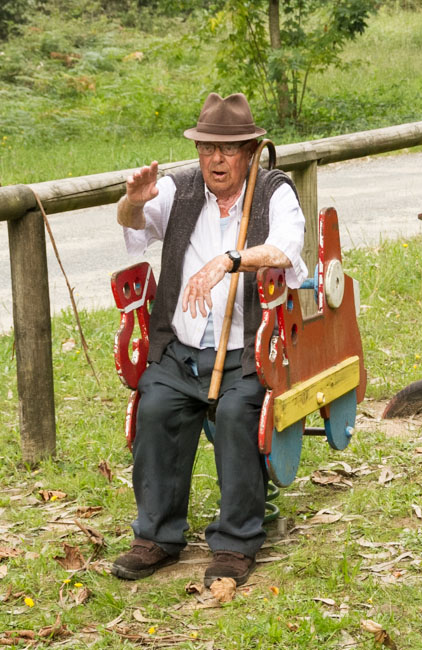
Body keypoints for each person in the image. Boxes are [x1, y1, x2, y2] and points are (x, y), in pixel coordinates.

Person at [111, 92, 308, 587]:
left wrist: (230, 260)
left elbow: (287, 248)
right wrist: (132, 202)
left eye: (228, 149)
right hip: (179, 351)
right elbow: (134, 228)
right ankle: (156, 537)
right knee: (156, 409)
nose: (216, 159)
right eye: (206, 148)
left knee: (238, 416)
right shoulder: (179, 189)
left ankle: (236, 543)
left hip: (246, 353)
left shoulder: (274, 191)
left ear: (250, 151)